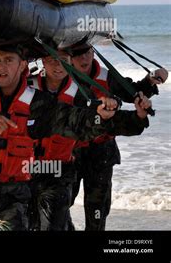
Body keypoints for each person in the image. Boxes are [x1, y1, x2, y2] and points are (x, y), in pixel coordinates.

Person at [0, 45, 151, 231]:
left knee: (52, 223)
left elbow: (73, 120)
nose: (2, 67)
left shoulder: (38, 102)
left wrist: (106, 117)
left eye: (9, 61)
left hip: (19, 188)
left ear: (22, 65)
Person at [28, 49, 152, 230]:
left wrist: (138, 117)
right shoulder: (25, 87)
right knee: (37, 221)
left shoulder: (83, 92)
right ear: (42, 62)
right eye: (52, 60)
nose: (58, 65)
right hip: (30, 168)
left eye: (62, 60)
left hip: (75, 163)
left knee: (94, 213)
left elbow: (107, 118)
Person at [69, 44, 168, 230]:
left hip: (101, 152)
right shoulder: (60, 76)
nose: (84, 59)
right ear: (69, 57)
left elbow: (133, 92)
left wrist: (151, 79)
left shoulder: (107, 76)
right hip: (70, 151)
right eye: (78, 55)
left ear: (93, 53)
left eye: (87, 53)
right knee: (59, 207)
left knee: (97, 213)